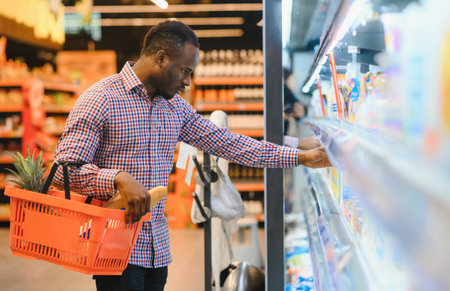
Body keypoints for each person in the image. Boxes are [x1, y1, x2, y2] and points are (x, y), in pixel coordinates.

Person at [53, 20, 330, 291]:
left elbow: (231, 144)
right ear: (161, 58)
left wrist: (299, 156)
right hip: (114, 247)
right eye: (184, 71)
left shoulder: (175, 108)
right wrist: (116, 178)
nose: (187, 82)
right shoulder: (101, 98)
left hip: (157, 248)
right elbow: (63, 171)